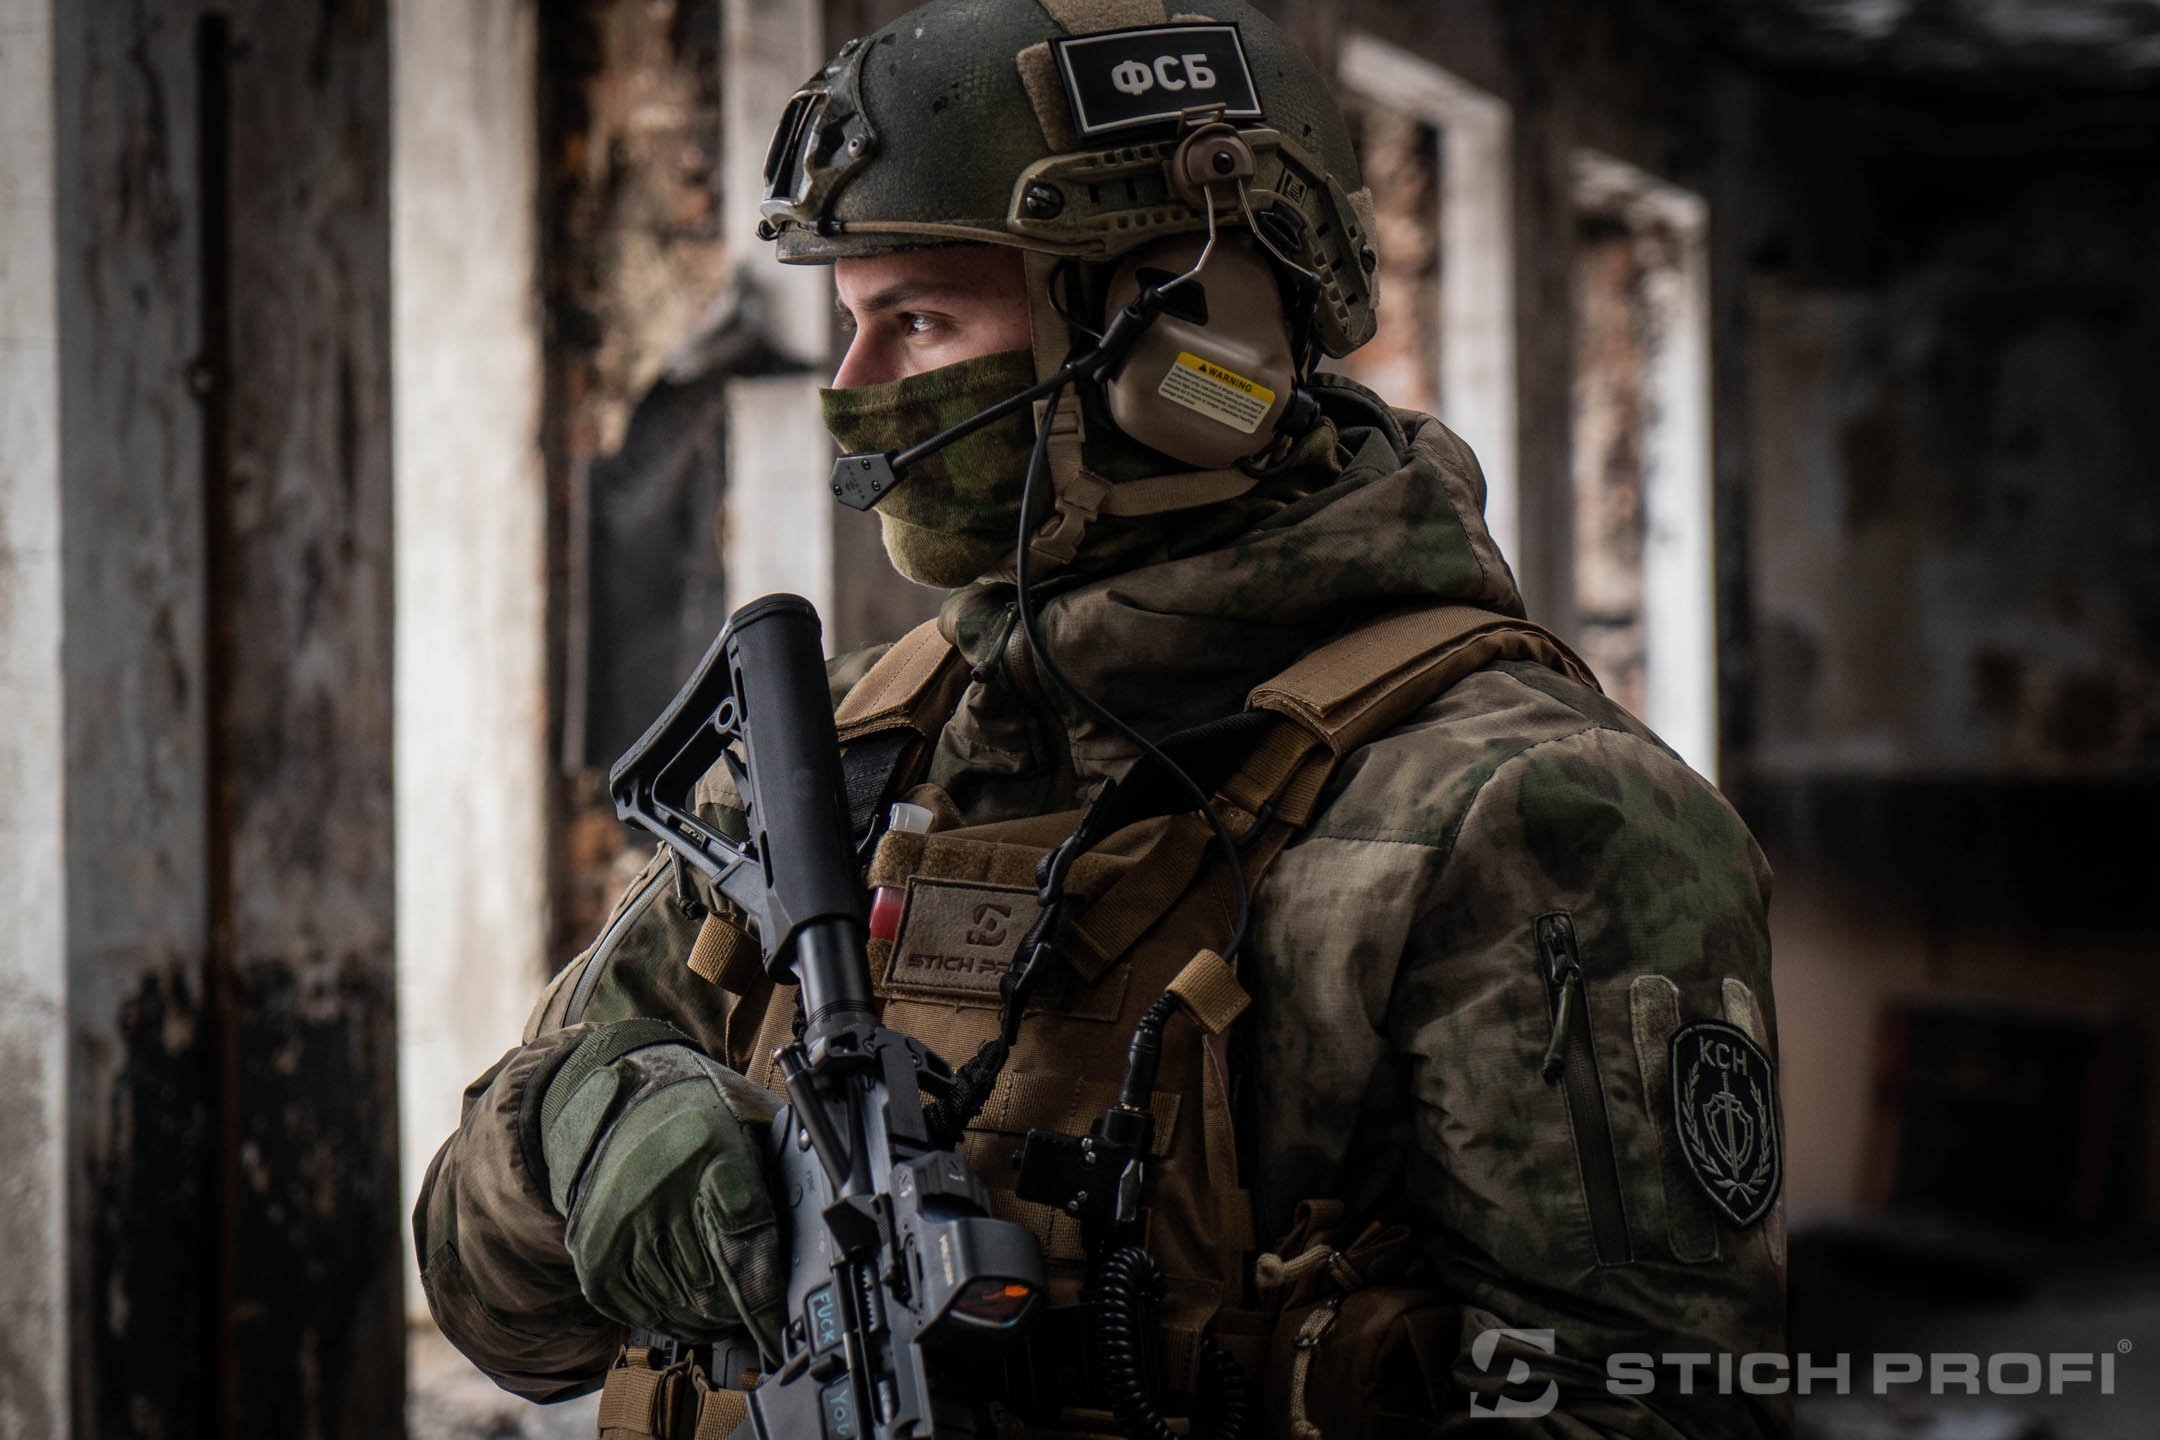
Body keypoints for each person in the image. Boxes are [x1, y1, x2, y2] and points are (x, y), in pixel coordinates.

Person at [415, 1, 1788, 1435]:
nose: (852, 393)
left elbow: (1656, 1413)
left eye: (920, 321)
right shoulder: (836, 757)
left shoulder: (1526, 813)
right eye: (849, 325)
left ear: (1191, 344)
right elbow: (495, 1306)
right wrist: (577, 1133)